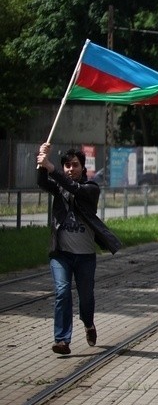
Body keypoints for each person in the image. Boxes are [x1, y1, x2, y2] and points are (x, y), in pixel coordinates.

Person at [36, 143, 122, 354]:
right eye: (66, 165)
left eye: (75, 165)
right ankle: (62, 340)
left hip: (85, 256)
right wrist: (41, 161)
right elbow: (41, 181)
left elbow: (74, 188)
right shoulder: (57, 187)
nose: (70, 169)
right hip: (61, 254)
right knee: (62, 291)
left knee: (86, 297)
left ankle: (89, 324)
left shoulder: (91, 189)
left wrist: (51, 168)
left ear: (83, 168)